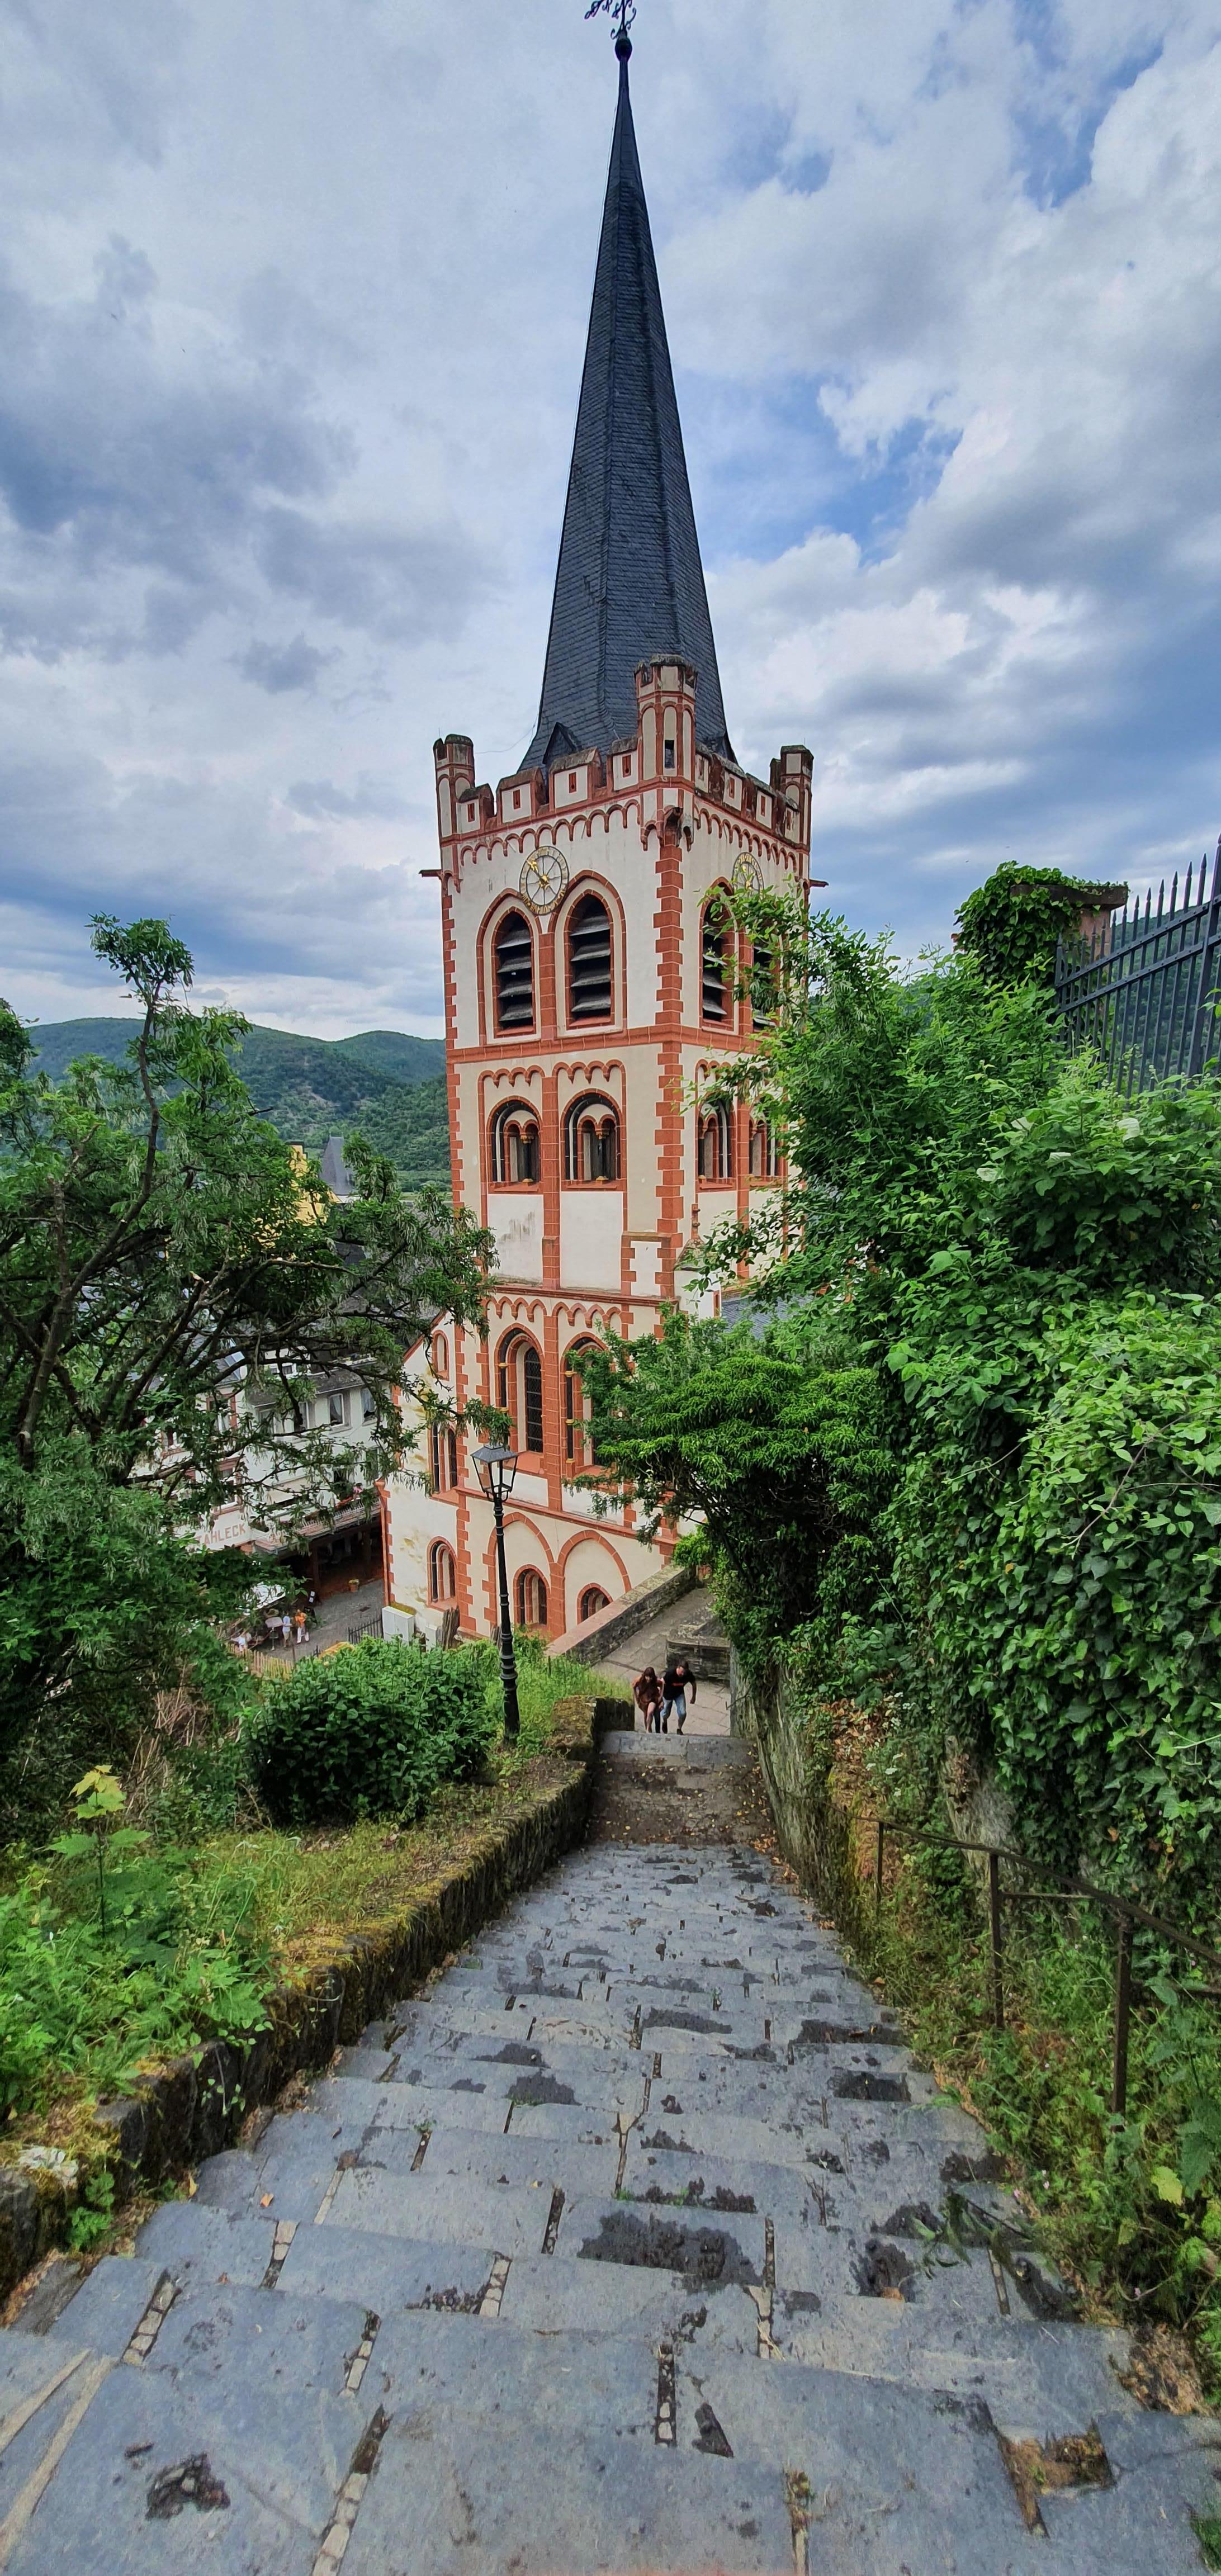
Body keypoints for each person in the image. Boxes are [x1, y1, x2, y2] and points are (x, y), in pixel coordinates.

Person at [659, 1657, 697, 1735]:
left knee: (683, 1713)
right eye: (682, 1672)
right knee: (665, 1713)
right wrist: (660, 1698)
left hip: (679, 1694)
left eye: (684, 1673)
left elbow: (694, 1684)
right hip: (668, 1695)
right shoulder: (670, 1674)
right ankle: (664, 1722)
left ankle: (679, 1728)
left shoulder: (688, 1674)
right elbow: (662, 1682)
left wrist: (694, 1697)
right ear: (678, 1668)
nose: (683, 1674)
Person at [633, 1665, 661, 1732]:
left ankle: (650, 1729)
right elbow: (634, 1685)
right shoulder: (641, 1680)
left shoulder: (655, 1681)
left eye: (650, 1677)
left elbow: (662, 1684)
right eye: (647, 1677)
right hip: (644, 1701)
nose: (649, 1679)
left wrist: (660, 1696)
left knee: (651, 1713)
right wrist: (637, 1697)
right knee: (646, 1716)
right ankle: (648, 1730)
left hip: (653, 1699)